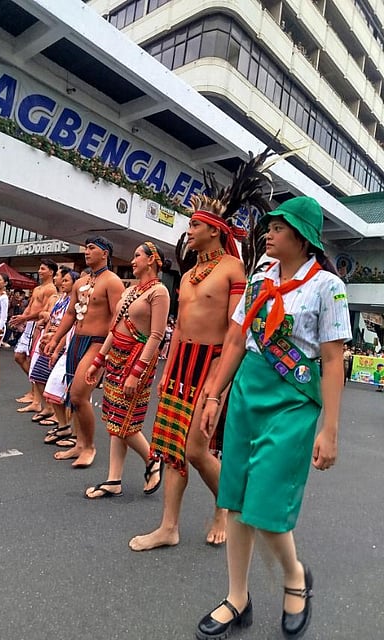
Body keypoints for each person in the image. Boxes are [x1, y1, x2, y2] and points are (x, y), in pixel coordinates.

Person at [195, 196, 351, 640]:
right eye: (269, 227)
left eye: (279, 228)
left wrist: (331, 431)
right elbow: (236, 340)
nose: (269, 233)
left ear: (302, 238)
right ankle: (237, 598)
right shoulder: (259, 279)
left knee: (264, 508)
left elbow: (333, 360)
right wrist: (213, 396)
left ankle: (295, 577)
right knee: (238, 500)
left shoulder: (328, 287)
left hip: (293, 400)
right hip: (247, 393)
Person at [128, 192, 249, 550]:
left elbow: (234, 331)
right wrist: (166, 366)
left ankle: (225, 509)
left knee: (197, 450)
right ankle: (169, 527)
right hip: (180, 365)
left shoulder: (232, 269)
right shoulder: (190, 273)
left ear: (214, 230)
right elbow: (179, 326)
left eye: (195, 225)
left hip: (213, 365)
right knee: (169, 448)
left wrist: (217, 383)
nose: (188, 231)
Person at [84, 241, 170, 498]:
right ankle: (114, 479)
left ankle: (152, 459)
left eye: (137, 256)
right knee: (114, 418)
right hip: (116, 357)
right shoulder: (132, 290)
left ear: (152, 259)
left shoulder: (160, 292)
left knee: (124, 421)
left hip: (137, 361)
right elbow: (115, 328)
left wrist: (137, 372)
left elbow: (156, 335)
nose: (132, 261)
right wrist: (99, 360)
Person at [45, 236, 125, 468]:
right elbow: (70, 314)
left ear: (105, 253)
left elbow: (117, 319)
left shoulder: (113, 282)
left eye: (91, 248)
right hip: (76, 342)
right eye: (85, 249)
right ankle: (80, 444)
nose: (86, 252)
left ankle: (89, 446)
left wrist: (108, 353)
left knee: (79, 395)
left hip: (97, 343)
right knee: (74, 395)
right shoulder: (80, 282)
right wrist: (56, 339)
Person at [28, 267, 79, 424]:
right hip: (50, 338)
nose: (62, 283)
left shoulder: (74, 302)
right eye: (62, 280)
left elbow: (70, 324)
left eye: (66, 280)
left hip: (62, 343)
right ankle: (48, 408)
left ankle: (59, 417)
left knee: (56, 381)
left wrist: (56, 338)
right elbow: (53, 318)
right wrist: (48, 333)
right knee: (39, 374)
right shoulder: (61, 299)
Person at [9, 260, 57, 412]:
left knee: (31, 358)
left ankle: (36, 394)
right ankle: (34, 391)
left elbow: (44, 310)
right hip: (29, 324)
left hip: (37, 325)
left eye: (43, 269)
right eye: (39, 268)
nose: (39, 271)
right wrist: (20, 319)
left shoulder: (51, 289)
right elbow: (30, 307)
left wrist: (24, 319)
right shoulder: (37, 288)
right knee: (20, 356)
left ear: (51, 272)